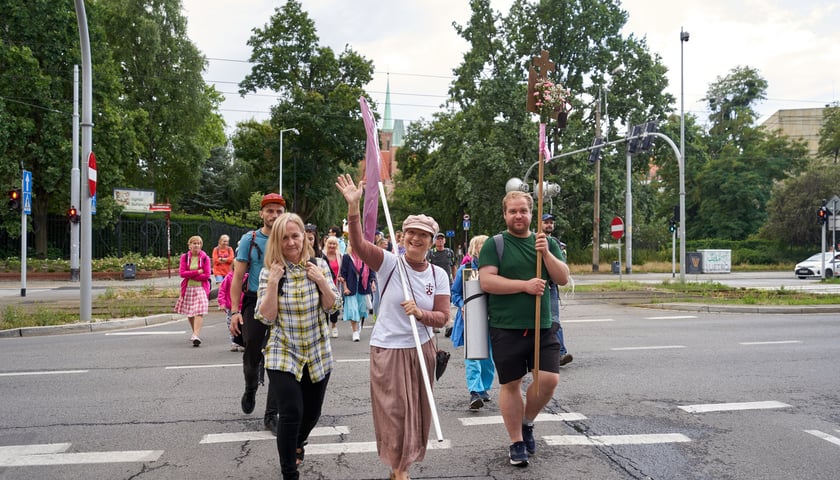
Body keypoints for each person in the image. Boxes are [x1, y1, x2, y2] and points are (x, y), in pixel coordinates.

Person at [335, 174, 450, 480]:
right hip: (388, 348)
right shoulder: (388, 263)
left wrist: (421, 314)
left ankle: (403, 467)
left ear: (432, 240)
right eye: (411, 233)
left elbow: (442, 317)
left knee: (418, 412)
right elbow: (358, 245)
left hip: (421, 348)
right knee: (394, 412)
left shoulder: (439, 274)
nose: (416, 238)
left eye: (423, 235)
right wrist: (353, 206)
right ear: (402, 237)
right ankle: (397, 468)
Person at [478, 191, 570, 468]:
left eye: (523, 211)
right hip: (506, 326)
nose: (518, 216)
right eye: (512, 211)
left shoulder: (547, 242)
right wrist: (525, 285)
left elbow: (562, 278)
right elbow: (487, 282)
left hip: (543, 325)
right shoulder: (495, 244)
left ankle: (527, 422)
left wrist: (545, 254)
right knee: (511, 384)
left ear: (532, 214)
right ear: (505, 214)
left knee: (549, 380)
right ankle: (516, 440)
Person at [255, 212, 340, 480]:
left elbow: (334, 306)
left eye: (295, 235)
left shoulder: (319, 266)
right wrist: (271, 284)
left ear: (304, 236)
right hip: (283, 352)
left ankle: (298, 442)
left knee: (311, 414)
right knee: (291, 412)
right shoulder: (271, 272)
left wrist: (322, 281)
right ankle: (289, 473)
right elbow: (266, 317)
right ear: (277, 242)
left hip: (317, 351)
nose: (291, 242)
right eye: (285, 238)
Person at [229, 193, 286, 434]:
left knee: (278, 357)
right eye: (270, 211)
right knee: (252, 350)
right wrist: (234, 312)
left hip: (283, 301)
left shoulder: (288, 238)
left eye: (278, 211)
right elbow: (238, 276)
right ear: (261, 213)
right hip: (254, 300)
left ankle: (271, 414)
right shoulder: (249, 239)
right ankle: (251, 386)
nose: (274, 215)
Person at [450, 234, 495, 410]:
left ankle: (483, 388)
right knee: (473, 356)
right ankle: (475, 391)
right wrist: (462, 305)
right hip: (472, 317)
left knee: (488, 357)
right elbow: (455, 294)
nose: (484, 249)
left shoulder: (495, 269)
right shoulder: (465, 269)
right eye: (481, 246)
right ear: (474, 249)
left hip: (492, 318)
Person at [541, 213, 573, 366]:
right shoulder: (534, 241)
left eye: (551, 222)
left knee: (554, 321)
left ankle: (560, 353)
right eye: (546, 222)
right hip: (537, 286)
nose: (549, 225)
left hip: (551, 287)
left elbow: (562, 265)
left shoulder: (557, 244)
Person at [174, 235, 211, 347]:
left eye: (199, 243)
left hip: (201, 288)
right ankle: (195, 332)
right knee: (190, 313)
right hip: (188, 288)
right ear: (189, 245)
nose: (196, 245)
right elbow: (182, 273)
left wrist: (192, 275)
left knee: (199, 311)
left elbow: (207, 275)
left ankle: (196, 335)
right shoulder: (184, 257)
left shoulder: (205, 258)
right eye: (194, 243)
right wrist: (197, 272)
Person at [340, 245, 375, 342]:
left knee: (361, 309)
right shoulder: (347, 257)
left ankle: (358, 322)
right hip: (351, 286)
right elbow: (344, 273)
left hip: (362, 287)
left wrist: (372, 282)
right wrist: (345, 287)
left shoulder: (365, 256)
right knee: (352, 309)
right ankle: (355, 331)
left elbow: (371, 271)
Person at [218, 270, 248, 352]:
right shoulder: (229, 277)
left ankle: (243, 342)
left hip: (244, 306)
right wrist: (222, 303)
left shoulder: (248, 277)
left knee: (244, 324)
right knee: (231, 323)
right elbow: (222, 290)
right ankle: (234, 341)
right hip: (231, 307)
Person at [322, 236, 344, 338]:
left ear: (337, 245)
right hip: (324, 284)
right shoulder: (322, 256)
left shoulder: (340, 256)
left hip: (335, 284)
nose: (332, 246)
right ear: (327, 244)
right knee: (324, 306)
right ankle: (325, 327)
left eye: (334, 244)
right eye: (330, 243)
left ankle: (334, 326)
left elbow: (343, 270)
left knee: (334, 306)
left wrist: (341, 277)